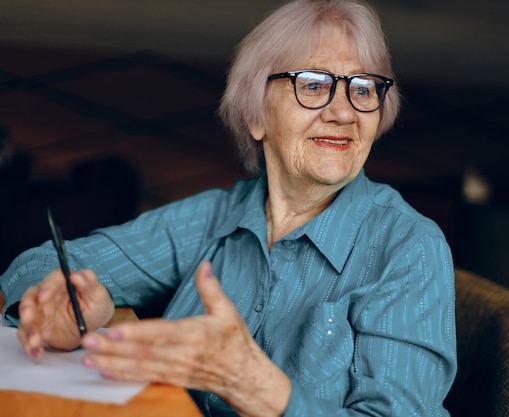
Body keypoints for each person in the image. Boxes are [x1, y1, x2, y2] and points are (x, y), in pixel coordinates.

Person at [0, 0, 457, 416]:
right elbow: (45, 261)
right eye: (313, 85)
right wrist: (54, 305)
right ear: (256, 116)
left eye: (362, 89)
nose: (344, 112)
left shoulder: (408, 247)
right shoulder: (215, 216)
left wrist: (259, 387)